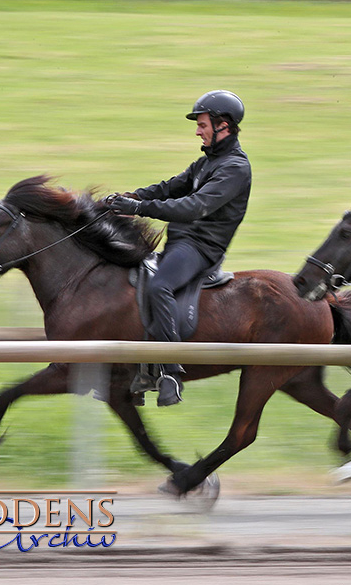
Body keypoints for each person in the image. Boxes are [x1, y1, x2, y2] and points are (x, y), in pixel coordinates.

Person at [104, 90, 251, 407]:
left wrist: (140, 207)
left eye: (202, 125)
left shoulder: (235, 168)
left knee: (160, 286)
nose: (198, 131)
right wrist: (125, 199)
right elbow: (168, 188)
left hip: (201, 248)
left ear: (222, 125)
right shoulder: (205, 163)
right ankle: (142, 368)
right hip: (181, 242)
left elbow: (194, 207)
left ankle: (170, 371)